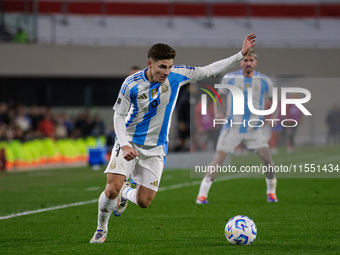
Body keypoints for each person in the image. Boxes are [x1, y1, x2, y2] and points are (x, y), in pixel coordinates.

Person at [90, 33, 257, 243]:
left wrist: (239, 55)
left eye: (169, 66)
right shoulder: (131, 84)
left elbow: (209, 70)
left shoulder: (178, 74)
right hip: (129, 141)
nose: (166, 72)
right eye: (162, 67)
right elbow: (119, 115)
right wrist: (123, 144)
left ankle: (126, 194)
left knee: (143, 201)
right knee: (112, 187)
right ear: (150, 63)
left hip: (157, 147)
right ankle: (101, 228)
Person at [196, 49, 278, 205]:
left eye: (251, 60)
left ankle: (271, 193)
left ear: (256, 62)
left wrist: (273, 117)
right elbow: (218, 96)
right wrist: (218, 112)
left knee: (267, 159)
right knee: (218, 159)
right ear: (241, 62)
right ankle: (202, 195)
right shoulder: (229, 78)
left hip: (254, 129)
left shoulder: (265, 81)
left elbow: (273, 99)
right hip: (232, 128)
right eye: (245, 60)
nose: (248, 63)